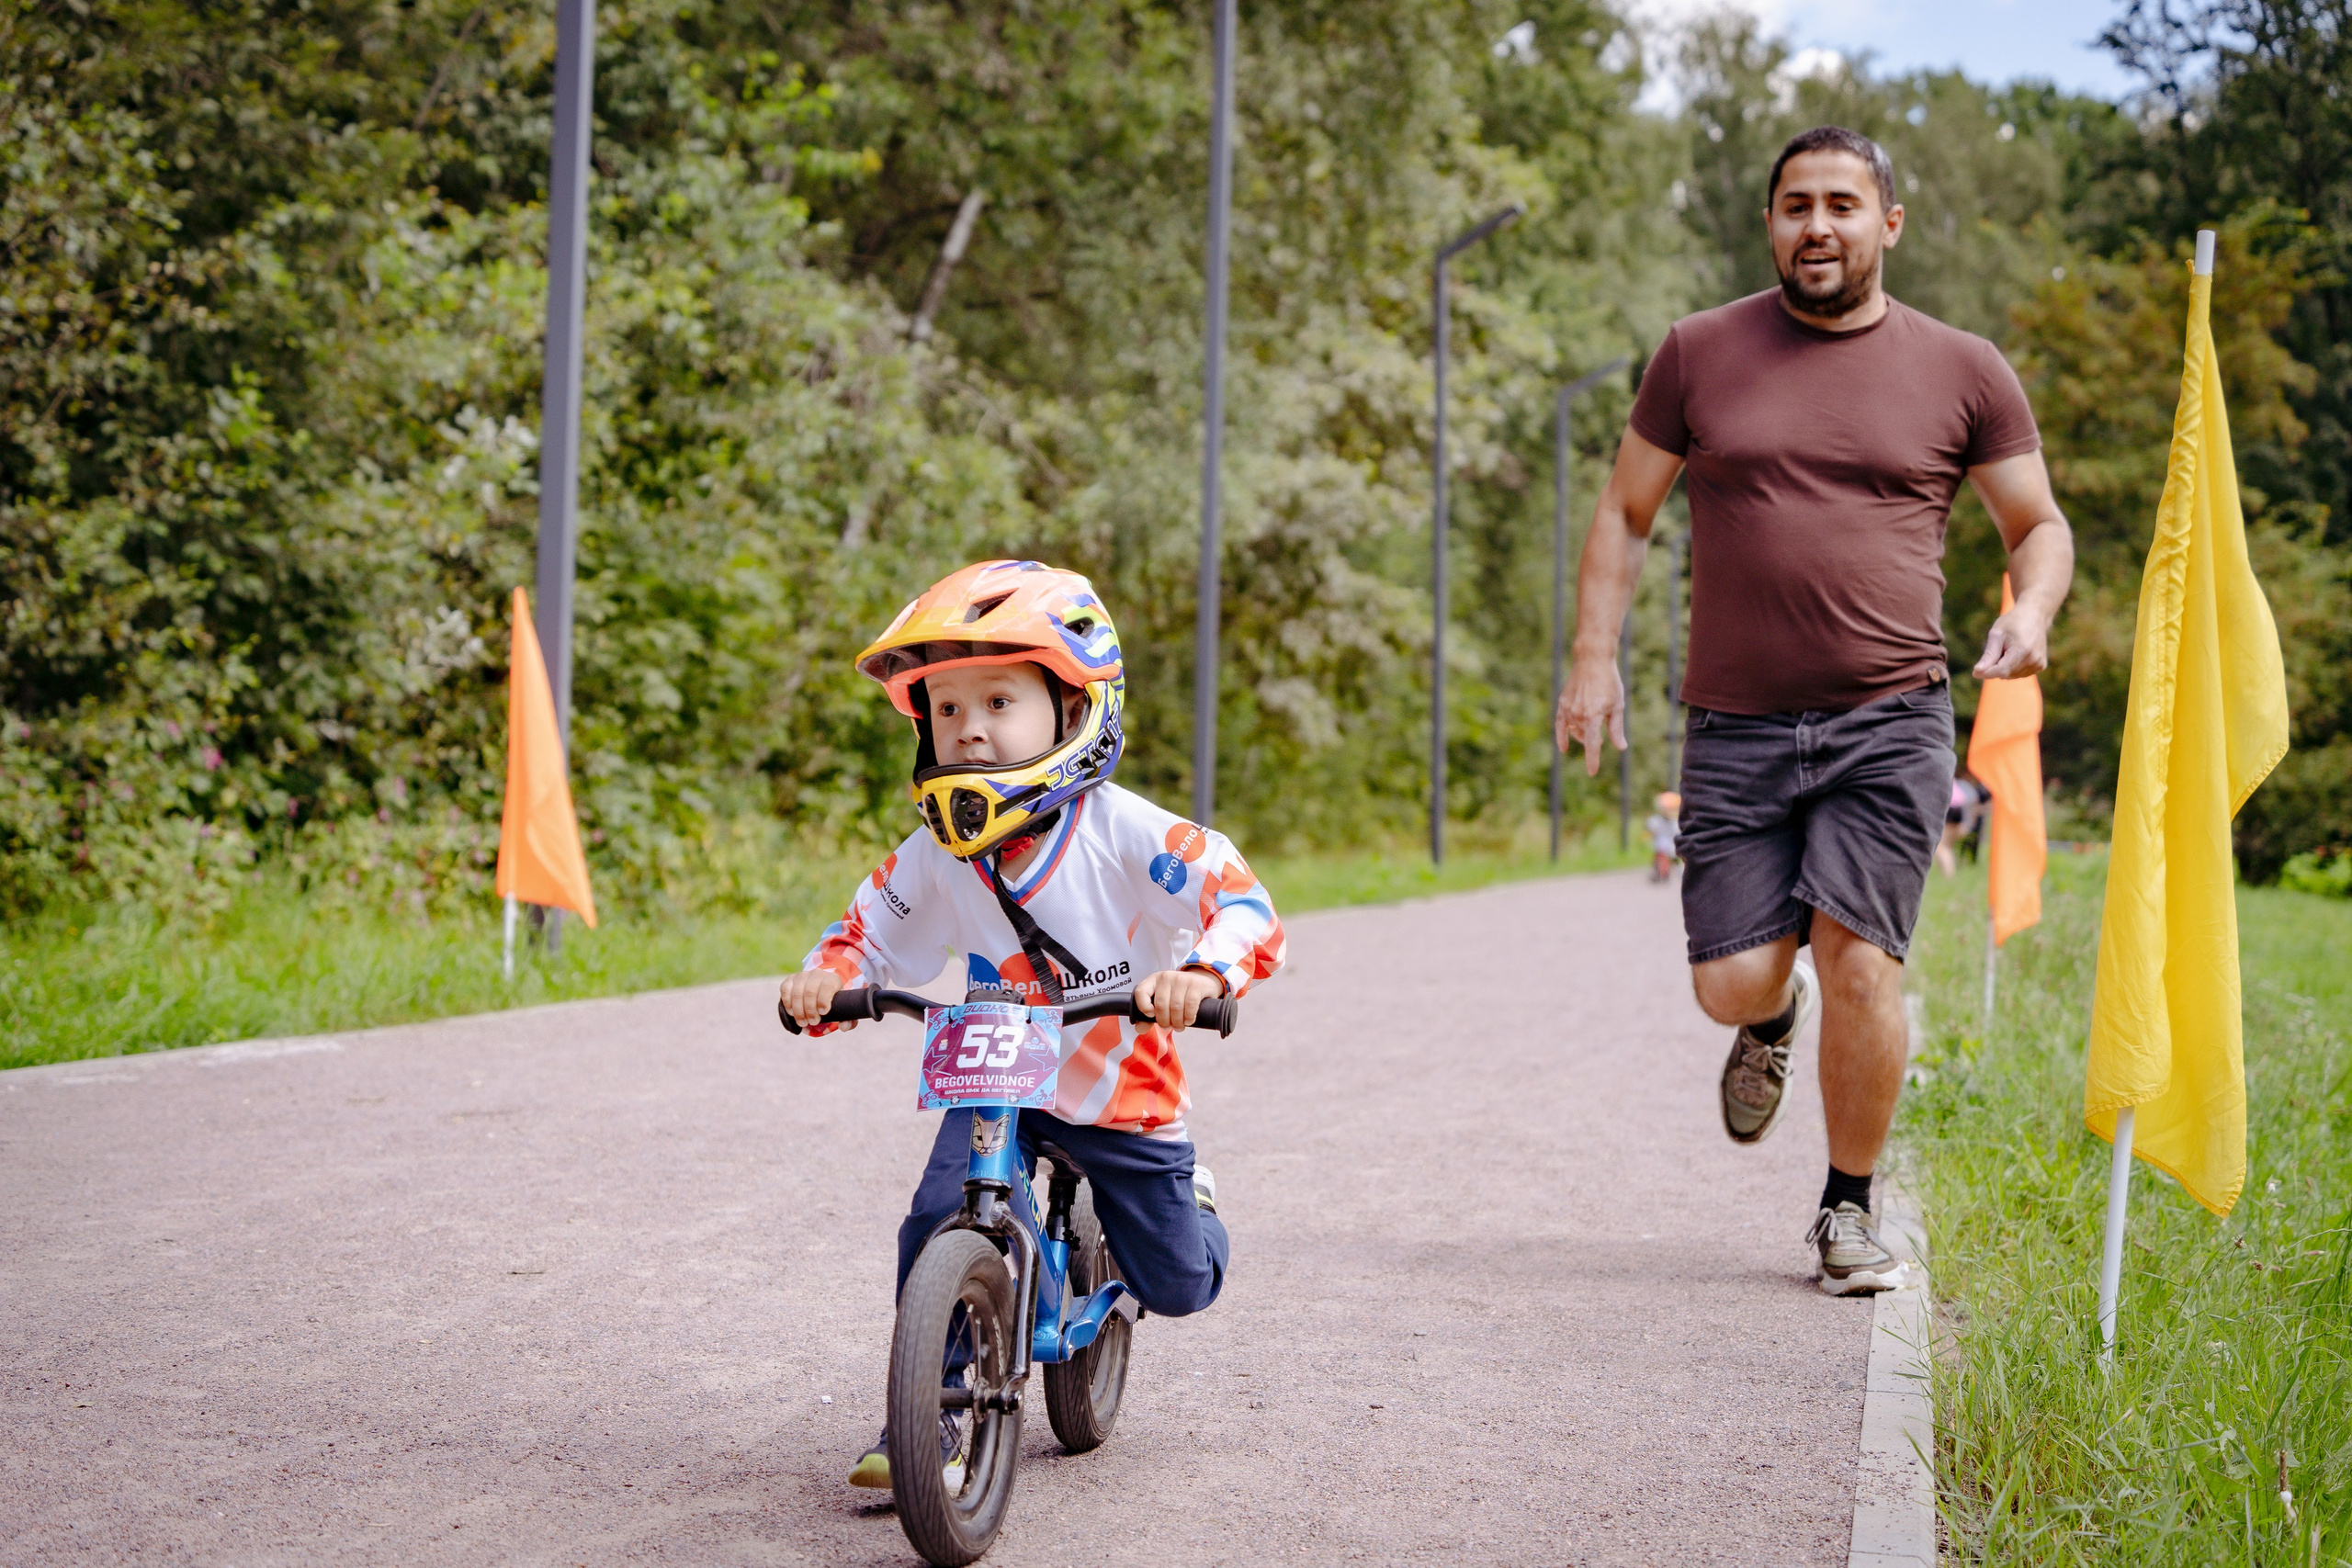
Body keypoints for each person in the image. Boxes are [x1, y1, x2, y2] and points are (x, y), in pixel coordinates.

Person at [1555, 126, 2073, 1294]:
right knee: (1730, 983)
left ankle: (1847, 1209)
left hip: (1890, 718)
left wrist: (2032, 611)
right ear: (1771, 224)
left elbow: (2038, 526)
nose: (1817, 226)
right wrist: (1593, 658)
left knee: (1861, 964)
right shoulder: (1697, 354)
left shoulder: (1963, 367)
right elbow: (1627, 513)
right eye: (1795, 206)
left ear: (1888, 222)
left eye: (1842, 204)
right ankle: (1766, 1022)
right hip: (1734, 725)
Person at [777, 559, 1286, 1487]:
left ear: (1071, 707)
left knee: (1177, 1283)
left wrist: (1203, 972)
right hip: (998, 1071)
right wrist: (828, 981)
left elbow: (1243, 903)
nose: (967, 727)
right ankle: (924, 1425)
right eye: (946, 708)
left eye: (998, 699)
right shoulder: (939, 851)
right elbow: (869, 932)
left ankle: (1190, 1206)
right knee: (936, 1220)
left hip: (1120, 1086)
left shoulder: (1124, 832)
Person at [1646, 791, 1683, 883]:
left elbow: (1677, 831)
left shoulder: (1674, 822)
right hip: (1660, 842)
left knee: (1674, 856)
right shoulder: (1656, 820)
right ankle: (1656, 870)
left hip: (1671, 843)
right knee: (1658, 854)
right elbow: (1651, 827)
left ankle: (1677, 869)